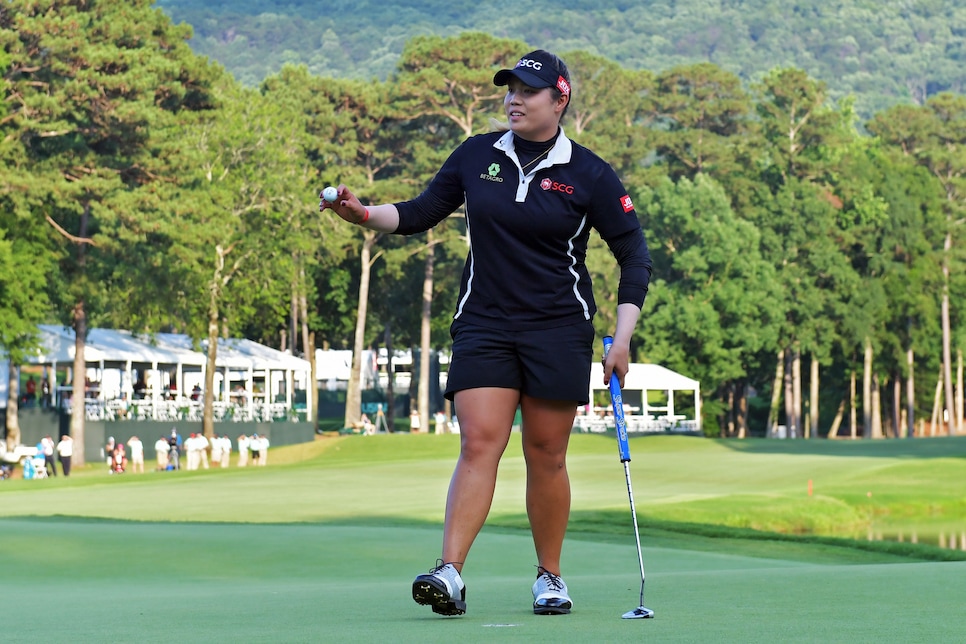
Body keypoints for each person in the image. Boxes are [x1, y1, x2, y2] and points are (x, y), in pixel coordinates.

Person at [320, 49, 651, 617]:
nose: (514, 99)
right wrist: (364, 214)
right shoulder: (477, 155)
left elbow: (633, 256)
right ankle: (449, 573)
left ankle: (550, 577)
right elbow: (422, 210)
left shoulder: (590, 173)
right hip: (486, 321)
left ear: (560, 98)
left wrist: (622, 337)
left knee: (546, 452)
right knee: (479, 441)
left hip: (558, 326)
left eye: (527, 91)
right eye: (509, 89)